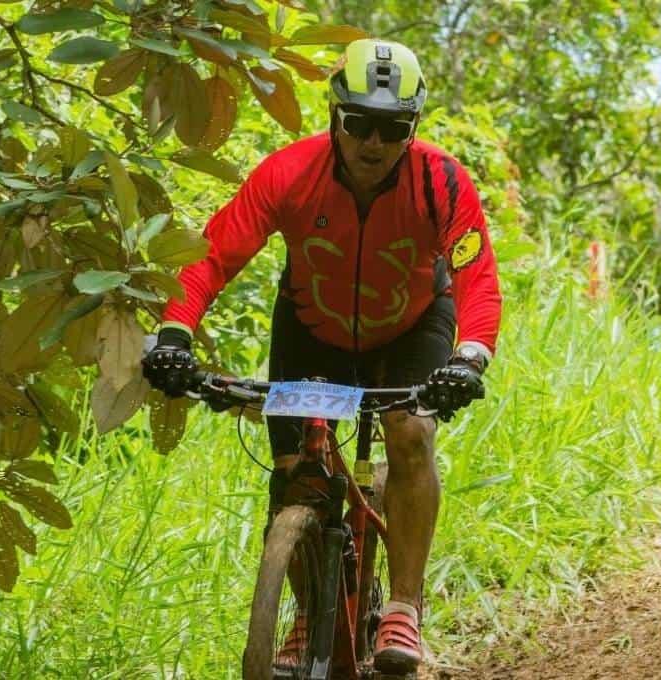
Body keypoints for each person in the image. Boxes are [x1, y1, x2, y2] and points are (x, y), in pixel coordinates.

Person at [142, 38, 501, 675]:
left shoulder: (442, 180)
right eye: (359, 123)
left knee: (411, 433)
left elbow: (478, 276)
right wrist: (173, 334)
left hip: (412, 326)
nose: (374, 143)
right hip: (312, 327)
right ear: (334, 115)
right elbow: (212, 255)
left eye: (393, 129)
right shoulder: (288, 173)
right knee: (295, 472)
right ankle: (310, 607)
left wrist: (469, 357)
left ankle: (405, 608)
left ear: (413, 128)